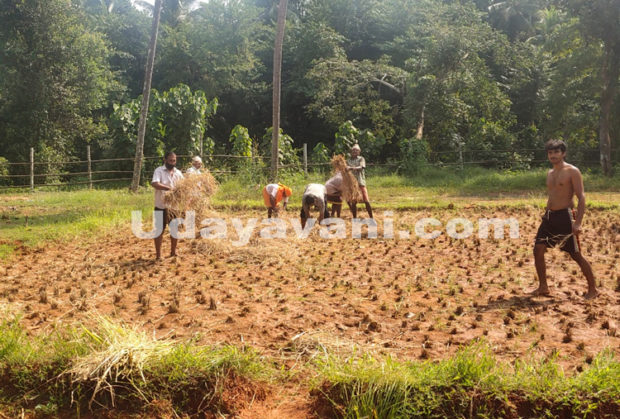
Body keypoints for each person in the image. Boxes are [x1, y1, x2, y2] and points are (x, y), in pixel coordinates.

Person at [532, 139, 598, 299]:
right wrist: (546, 213)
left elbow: (581, 197)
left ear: (563, 153)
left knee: (575, 254)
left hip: (565, 217)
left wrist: (578, 222)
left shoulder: (572, 171)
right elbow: (552, 195)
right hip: (550, 217)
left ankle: (593, 290)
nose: (553, 155)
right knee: (538, 249)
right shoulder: (550, 173)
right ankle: (543, 287)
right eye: (550, 152)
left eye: (556, 152)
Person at [152, 151, 184, 260]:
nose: (172, 162)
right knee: (159, 230)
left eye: (174, 160)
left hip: (174, 207)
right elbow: (155, 184)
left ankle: (173, 252)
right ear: (165, 160)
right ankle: (158, 256)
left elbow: (183, 187)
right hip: (161, 205)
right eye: (170, 160)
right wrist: (169, 189)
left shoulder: (178, 173)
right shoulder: (159, 171)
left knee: (174, 230)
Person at [346, 144, 373, 218]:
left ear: (359, 152)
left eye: (356, 150)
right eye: (353, 150)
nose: (354, 151)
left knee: (366, 201)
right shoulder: (348, 160)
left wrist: (351, 168)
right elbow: (345, 169)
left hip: (360, 182)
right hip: (352, 184)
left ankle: (371, 217)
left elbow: (361, 167)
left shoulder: (361, 159)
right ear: (351, 151)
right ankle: (355, 218)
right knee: (354, 202)